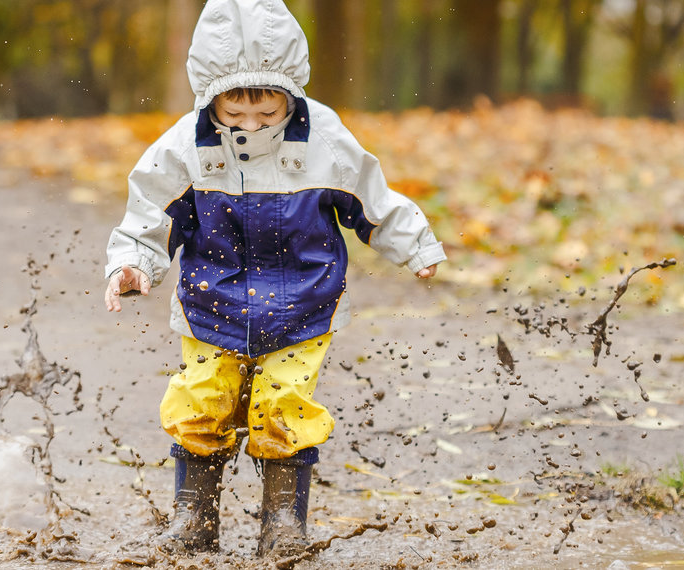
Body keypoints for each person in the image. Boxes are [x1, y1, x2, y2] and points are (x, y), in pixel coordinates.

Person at [103, 0, 445, 557]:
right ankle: (195, 517)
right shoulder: (185, 146)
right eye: (234, 115)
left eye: (268, 114)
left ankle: (283, 522)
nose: (252, 126)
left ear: (291, 92)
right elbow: (150, 213)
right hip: (211, 303)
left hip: (304, 304)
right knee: (200, 401)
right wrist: (132, 264)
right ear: (210, 97)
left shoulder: (324, 138)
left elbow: (370, 197)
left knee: (283, 408)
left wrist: (413, 244)